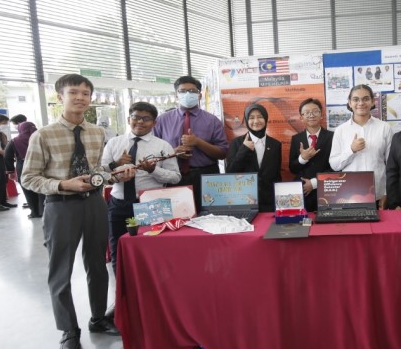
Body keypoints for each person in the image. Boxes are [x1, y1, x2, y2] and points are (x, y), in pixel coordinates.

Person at [22, 74, 128, 349]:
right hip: (61, 206)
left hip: (94, 203)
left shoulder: (97, 133)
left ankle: (98, 318)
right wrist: (62, 184)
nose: (80, 97)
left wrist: (113, 175)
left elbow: (97, 171)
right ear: (60, 97)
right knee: (61, 270)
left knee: (97, 264)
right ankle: (69, 329)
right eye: (73, 92)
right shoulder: (43, 135)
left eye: (85, 93)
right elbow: (29, 178)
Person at [102, 102, 180, 275]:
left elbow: (175, 177)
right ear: (128, 119)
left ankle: (151, 287)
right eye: (136, 117)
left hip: (151, 205)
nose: (140, 122)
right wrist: (115, 171)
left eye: (146, 119)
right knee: (118, 249)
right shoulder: (114, 143)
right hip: (118, 204)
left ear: (154, 123)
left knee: (153, 250)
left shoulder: (163, 146)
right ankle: (121, 287)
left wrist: (153, 170)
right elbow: (101, 174)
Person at [154, 75, 228, 211]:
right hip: (173, 175)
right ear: (176, 95)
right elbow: (152, 153)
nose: (187, 94)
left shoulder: (212, 121)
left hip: (206, 176)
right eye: (182, 91)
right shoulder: (162, 121)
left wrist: (198, 142)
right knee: (176, 216)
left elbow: (223, 153)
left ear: (200, 95)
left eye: (192, 91)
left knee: (210, 216)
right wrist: (173, 152)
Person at [329, 84, 393, 208]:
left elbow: (391, 165)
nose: (361, 103)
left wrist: (386, 192)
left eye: (365, 99)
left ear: (372, 101)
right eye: (356, 99)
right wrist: (351, 150)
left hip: (378, 194)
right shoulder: (340, 130)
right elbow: (335, 165)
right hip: (349, 195)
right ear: (349, 103)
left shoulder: (384, 128)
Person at [226, 103, 282, 212]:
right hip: (244, 201)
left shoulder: (275, 144)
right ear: (247, 121)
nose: (256, 121)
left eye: (260, 117)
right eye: (251, 118)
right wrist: (244, 149)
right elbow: (230, 172)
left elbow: (277, 175)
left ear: (266, 119)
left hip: (269, 202)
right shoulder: (236, 143)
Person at [289, 98, 333, 212]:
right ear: (301, 117)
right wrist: (302, 159)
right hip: (303, 192)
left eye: (315, 111)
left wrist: (314, 183)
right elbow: (292, 168)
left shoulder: (332, 137)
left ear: (321, 115)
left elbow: (336, 167)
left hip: (327, 191)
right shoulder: (296, 139)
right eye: (307, 112)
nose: (311, 115)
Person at [4, 121, 45, 218]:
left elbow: (7, 156)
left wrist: (10, 171)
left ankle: (34, 212)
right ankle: (44, 211)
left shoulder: (14, 141)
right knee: (42, 188)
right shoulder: (41, 138)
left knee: (27, 189)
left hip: (23, 166)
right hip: (41, 165)